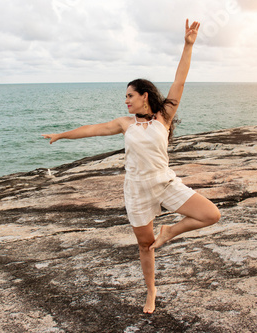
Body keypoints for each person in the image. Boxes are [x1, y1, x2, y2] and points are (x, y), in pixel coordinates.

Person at [42, 19, 220, 314]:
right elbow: (92, 129)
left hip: (165, 183)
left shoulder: (164, 116)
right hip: (136, 190)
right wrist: (62, 134)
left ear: (144, 96)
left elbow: (180, 80)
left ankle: (170, 232)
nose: (125, 101)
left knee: (210, 214)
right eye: (125, 97)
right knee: (145, 246)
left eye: (129, 96)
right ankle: (151, 292)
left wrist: (188, 45)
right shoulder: (124, 124)